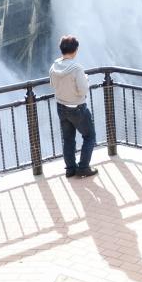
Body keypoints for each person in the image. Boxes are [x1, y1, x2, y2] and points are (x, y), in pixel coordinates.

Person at [49, 35, 98, 178]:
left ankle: (70, 169)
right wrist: (85, 80)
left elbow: (53, 84)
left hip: (61, 107)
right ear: (75, 50)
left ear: (61, 50)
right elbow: (83, 90)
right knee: (89, 136)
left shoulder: (54, 66)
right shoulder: (76, 68)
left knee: (68, 139)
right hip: (77, 108)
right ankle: (83, 168)